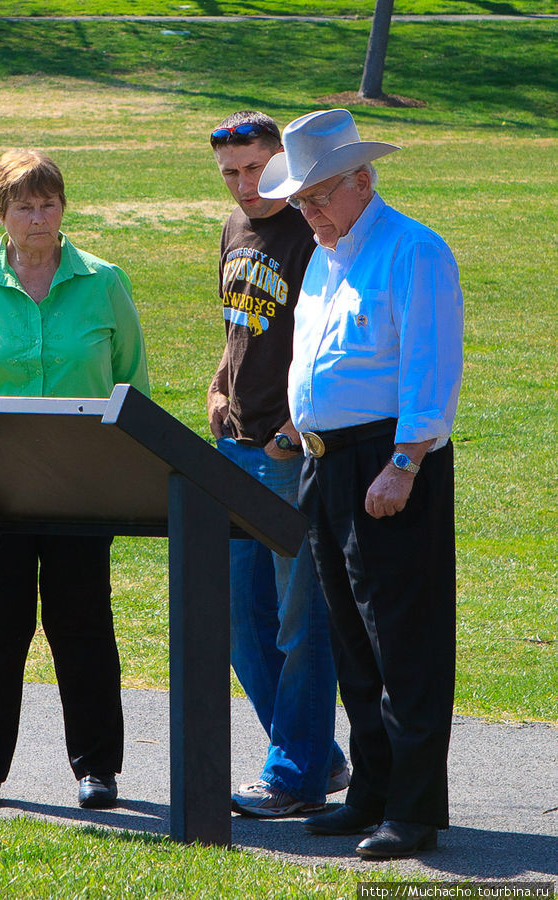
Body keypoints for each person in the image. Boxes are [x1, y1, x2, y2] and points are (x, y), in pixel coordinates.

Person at [258, 108, 463, 859]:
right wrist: (294, 428)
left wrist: (404, 463)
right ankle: (372, 792)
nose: (306, 211)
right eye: (301, 200)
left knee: (403, 641)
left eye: (318, 195)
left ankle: (413, 811)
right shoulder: (325, 253)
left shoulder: (414, 251)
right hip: (324, 463)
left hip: (388, 463)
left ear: (363, 180)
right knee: (352, 642)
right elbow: (319, 358)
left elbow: (429, 367)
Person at [0, 148, 150, 812]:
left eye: (48, 203)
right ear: (0, 212)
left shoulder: (104, 281)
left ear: (64, 207)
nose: (38, 217)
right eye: (23, 205)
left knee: (82, 624)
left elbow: (131, 383)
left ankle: (97, 770)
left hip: (82, 488)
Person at [207, 110, 349, 818]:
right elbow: (239, 326)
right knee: (238, 620)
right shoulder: (235, 230)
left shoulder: (308, 232)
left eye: (256, 168)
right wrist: (216, 386)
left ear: (283, 163)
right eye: (231, 173)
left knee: (300, 621)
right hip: (232, 447)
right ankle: (316, 757)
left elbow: (323, 334)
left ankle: (293, 776)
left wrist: (294, 426)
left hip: (284, 453)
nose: (244, 185)